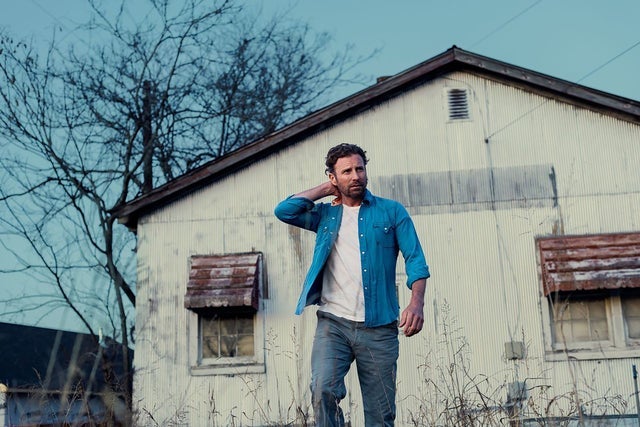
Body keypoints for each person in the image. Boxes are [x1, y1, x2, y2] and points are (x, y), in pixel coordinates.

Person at [274, 143, 430, 427]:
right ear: (333, 177)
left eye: (360, 169)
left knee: (380, 415)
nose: (356, 176)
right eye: (346, 171)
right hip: (333, 324)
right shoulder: (324, 215)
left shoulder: (391, 212)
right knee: (322, 390)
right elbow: (284, 211)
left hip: (379, 328)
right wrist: (326, 189)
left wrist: (416, 302)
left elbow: (415, 259)